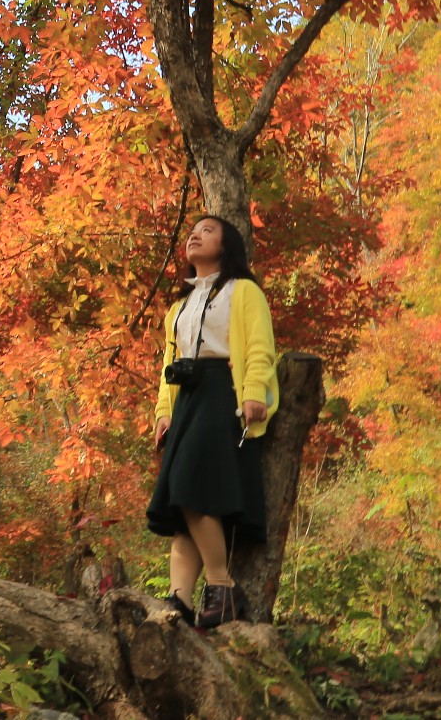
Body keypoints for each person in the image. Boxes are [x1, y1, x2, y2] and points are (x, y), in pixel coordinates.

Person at [146, 214, 279, 629]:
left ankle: (222, 588)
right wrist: (164, 413)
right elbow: (171, 365)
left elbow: (259, 345)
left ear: (227, 245)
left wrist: (255, 391)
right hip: (189, 399)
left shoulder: (244, 292)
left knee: (190, 490)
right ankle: (179, 602)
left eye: (207, 231)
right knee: (182, 500)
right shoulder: (178, 307)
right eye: (192, 231)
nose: (194, 235)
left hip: (225, 394)